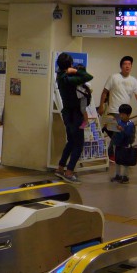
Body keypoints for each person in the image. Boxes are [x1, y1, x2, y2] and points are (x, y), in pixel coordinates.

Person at [98, 56, 137, 161]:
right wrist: (101, 106)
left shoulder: (133, 80)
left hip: (125, 112)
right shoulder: (114, 77)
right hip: (114, 110)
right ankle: (111, 154)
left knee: (122, 133)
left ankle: (115, 152)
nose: (127, 66)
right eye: (125, 64)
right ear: (121, 66)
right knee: (119, 132)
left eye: (129, 64)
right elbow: (104, 92)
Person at [54, 54, 93, 182]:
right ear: (70, 64)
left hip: (67, 114)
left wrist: (71, 71)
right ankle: (69, 172)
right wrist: (76, 71)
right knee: (78, 144)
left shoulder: (60, 76)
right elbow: (88, 77)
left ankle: (60, 168)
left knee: (71, 142)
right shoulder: (69, 79)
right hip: (75, 115)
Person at [110, 104, 136, 184]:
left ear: (128, 115)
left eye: (123, 114)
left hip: (125, 145)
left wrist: (122, 130)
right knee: (117, 160)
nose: (121, 116)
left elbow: (129, 134)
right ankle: (117, 175)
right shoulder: (118, 122)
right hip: (117, 144)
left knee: (125, 162)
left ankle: (125, 177)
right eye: (120, 114)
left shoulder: (130, 124)